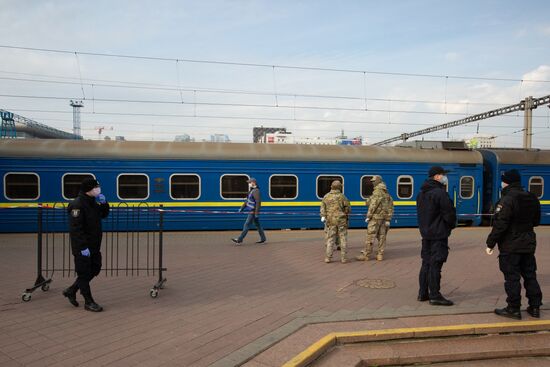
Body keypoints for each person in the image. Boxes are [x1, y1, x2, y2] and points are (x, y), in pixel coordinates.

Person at [486, 169, 543, 320]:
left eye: (503, 180)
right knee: (530, 275)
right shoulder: (532, 197)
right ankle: (535, 307)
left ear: (507, 182)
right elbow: (536, 222)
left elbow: (501, 224)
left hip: (510, 245)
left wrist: (490, 243)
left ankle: (513, 308)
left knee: (512, 278)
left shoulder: (507, 199)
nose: (501, 183)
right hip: (529, 243)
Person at [63, 178, 109, 312]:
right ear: (89, 189)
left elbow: (104, 214)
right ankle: (88, 302)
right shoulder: (77, 205)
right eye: (96, 187)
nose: (98, 189)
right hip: (83, 247)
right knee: (83, 274)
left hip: (94, 245)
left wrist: (104, 203)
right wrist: (82, 248)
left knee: (95, 268)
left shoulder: (93, 202)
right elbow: (76, 229)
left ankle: (72, 290)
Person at [416, 166, 456, 306]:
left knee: (426, 263)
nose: (445, 177)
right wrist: (449, 227)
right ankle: (435, 295)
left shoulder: (421, 193)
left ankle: (423, 293)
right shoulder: (440, 193)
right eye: (443, 175)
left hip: (425, 234)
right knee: (436, 264)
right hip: (438, 234)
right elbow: (449, 213)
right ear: (437, 177)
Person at [357, 176, 394, 261]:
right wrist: (388, 218)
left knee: (370, 236)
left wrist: (368, 216)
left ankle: (366, 255)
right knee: (382, 236)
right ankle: (380, 255)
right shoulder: (386, 193)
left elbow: (373, 205)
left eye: (374, 181)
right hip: (384, 219)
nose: (372, 183)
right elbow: (391, 207)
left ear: (378, 181)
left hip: (375, 218)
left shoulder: (377, 192)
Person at [320, 180, 350, 263]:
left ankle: (328, 258)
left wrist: (323, 216)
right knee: (343, 238)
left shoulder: (326, 197)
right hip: (341, 221)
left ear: (331, 187)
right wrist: (344, 213)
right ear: (339, 187)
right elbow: (348, 209)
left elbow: (323, 209)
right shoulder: (343, 197)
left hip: (331, 221)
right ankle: (343, 258)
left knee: (330, 239)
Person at [232, 177, 267, 244]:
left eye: (250, 182)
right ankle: (263, 238)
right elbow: (247, 201)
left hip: (253, 212)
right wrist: (241, 208)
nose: (249, 184)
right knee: (258, 225)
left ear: (254, 182)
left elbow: (258, 202)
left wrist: (256, 213)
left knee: (246, 225)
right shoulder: (252, 191)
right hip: (252, 211)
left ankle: (239, 239)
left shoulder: (256, 191)